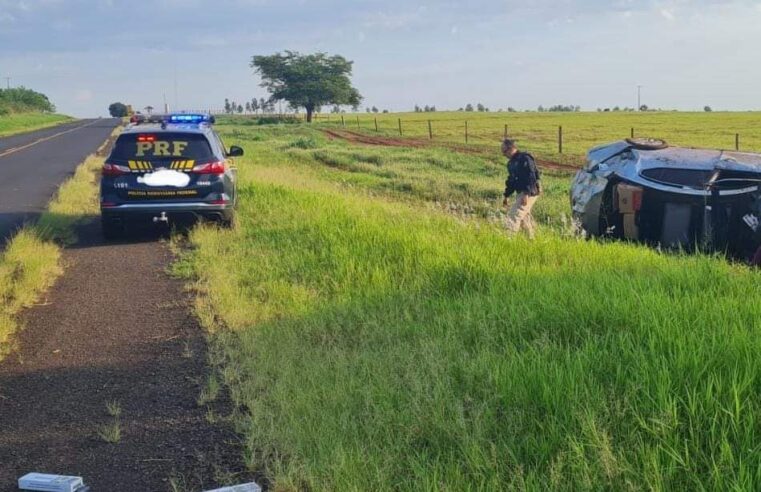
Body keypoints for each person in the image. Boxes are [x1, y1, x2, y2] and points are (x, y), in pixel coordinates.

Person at [501, 139, 541, 237]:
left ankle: (508, 240)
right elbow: (511, 181)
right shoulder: (511, 164)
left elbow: (531, 176)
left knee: (514, 215)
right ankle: (531, 241)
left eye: (504, 151)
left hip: (530, 191)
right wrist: (506, 195)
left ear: (511, 148)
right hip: (521, 193)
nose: (503, 154)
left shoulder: (525, 158)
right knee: (524, 219)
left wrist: (526, 194)